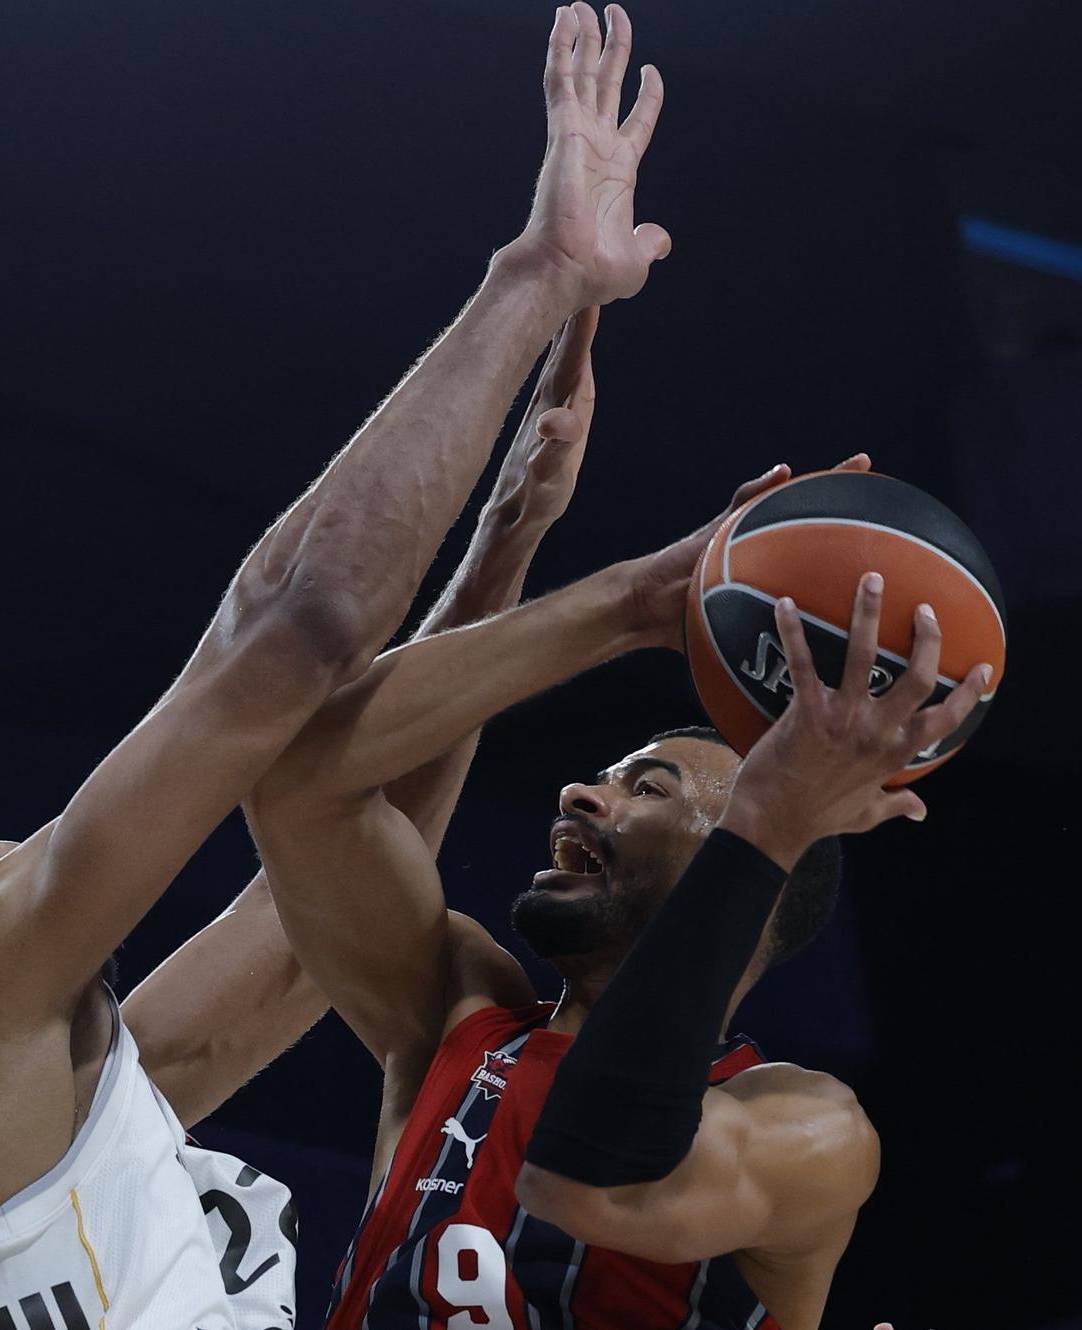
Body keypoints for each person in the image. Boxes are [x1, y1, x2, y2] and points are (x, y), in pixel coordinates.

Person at [0, 5, 674, 1327]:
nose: (18, 848)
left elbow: (309, 913)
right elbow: (288, 630)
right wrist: (537, 277)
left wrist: (504, 541)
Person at [245, 453, 993, 1324]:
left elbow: (594, 1179)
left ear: (748, 875)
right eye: (607, 775)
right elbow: (301, 779)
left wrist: (772, 819)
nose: (580, 792)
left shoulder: (805, 1130)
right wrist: (624, 606)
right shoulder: (456, 1009)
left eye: (650, 788)